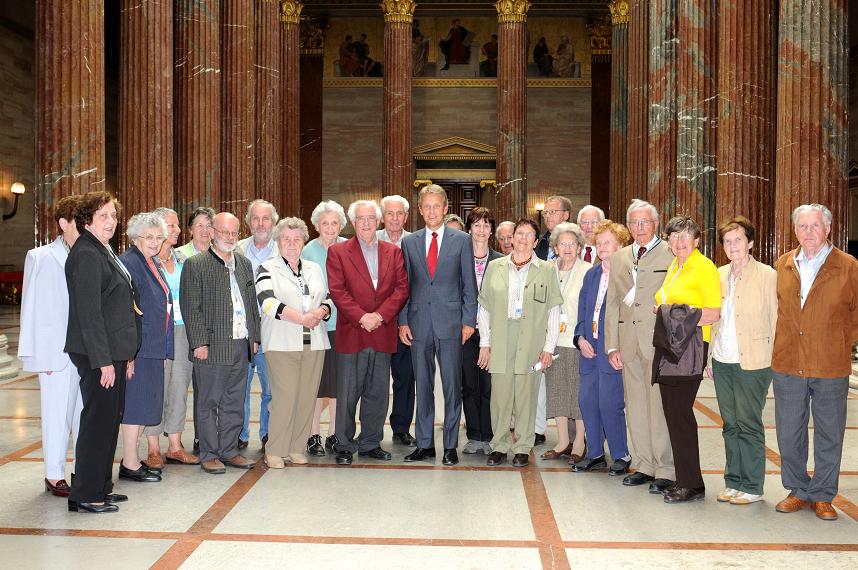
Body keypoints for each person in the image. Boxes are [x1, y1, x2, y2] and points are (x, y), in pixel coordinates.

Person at [771, 204, 858, 521]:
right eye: (803, 226)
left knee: (829, 433)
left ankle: (822, 495)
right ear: (795, 230)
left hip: (830, 366)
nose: (809, 232)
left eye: (815, 226)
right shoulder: (782, 265)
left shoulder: (849, 267)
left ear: (829, 228)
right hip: (788, 363)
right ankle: (797, 489)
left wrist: (837, 341)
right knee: (788, 432)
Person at [65, 191, 140, 514]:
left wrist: (123, 355)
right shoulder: (86, 254)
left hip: (112, 352)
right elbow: (89, 314)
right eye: (103, 216)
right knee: (98, 421)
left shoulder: (102, 249)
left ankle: (100, 486)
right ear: (87, 220)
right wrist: (104, 362)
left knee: (110, 420)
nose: (110, 221)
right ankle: (85, 494)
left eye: (112, 215)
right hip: (98, 355)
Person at [399, 184, 478, 466]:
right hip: (419, 324)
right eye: (427, 206)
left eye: (437, 206)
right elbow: (404, 286)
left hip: (452, 324)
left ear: (446, 209)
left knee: (452, 386)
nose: (432, 211)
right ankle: (424, 445)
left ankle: (450, 447)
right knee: (423, 385)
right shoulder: (409, 243)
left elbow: (469, 284)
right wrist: (403, 320)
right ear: (420, 211)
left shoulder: (461, 240)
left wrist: (469, 320)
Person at [327, 200, 409, 465]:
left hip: (382, 331)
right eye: (360, 218)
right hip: (353, 331)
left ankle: (371, 442)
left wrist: (380, 316)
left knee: (377, 392)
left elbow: (401, 288)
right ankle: (343, 444)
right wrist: (363, 317)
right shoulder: (338, 252)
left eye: (370, 218)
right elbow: (338, 291)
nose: (365, 223)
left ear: (378, 221)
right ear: (353, 222)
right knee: (348, 394)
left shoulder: (393, 252)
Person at [477, 219, 563, 467]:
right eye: (519, 234)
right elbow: (484, 309)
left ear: (536, 242)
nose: (523, 239)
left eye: (529, 235)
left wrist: (549, 348)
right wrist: (485, 342)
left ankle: (524, 446)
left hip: (532, 340)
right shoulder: (495, 267)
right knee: (500, 397)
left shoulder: (546, 269)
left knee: (527, 395)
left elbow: (553, 311)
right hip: (501, 337)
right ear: (511, 238)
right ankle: (499, 445)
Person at [604, 199, 675, 494]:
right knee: (635, 406)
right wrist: (611, 346)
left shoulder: (670, 253)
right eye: (634, 223)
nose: (639, 228)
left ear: (656, 224)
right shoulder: (620, 257)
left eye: (645, 222)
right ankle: (644, 463)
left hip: (657, 341)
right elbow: (612, 304)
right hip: (628, 343)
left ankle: (665, 467)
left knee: (658, 406)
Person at [181, 212, 260, 475]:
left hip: (241, 343)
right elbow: (191, 308)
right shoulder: (196, 264)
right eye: (224, 232)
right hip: (212, 346)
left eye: (234, 233)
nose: (229, 237)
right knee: (208, 402)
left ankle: (229, 450)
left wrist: (255, 338)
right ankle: (209, 453)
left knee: (234, 401)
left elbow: (251, 304)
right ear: (213, 232)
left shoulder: (244, 263)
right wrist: (199, 343)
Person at [19, 195, 84, 498]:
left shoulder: (90, 254)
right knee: (57, 414)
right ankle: (54, 474)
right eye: (78, 222)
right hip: (54, 351)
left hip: (85, 350)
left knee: (84, 414)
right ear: (63, 224)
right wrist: (35, 354)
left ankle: (83, 468)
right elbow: (31, 308)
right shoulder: (40, 256)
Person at [652, 216, 721, 504]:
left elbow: (713, 312)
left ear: (696, 240)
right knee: (673, 415)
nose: (679, 242)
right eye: (674, 237)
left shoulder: (704, 267)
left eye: (685, 237)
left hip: (690, 347)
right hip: (670, 346)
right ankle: (687, 479)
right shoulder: (674, 266)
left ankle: (691, 484)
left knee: (680, 416)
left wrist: (672, 313)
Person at [710, 216, 776, 505]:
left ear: (750, 242)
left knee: (748, 423)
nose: (733, 245)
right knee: (730, 423)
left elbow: (776, 319)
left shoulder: (767, 275)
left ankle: (752, 484)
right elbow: (713, 321)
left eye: (738, 239)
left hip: (753, 362)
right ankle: (733, 480)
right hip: (722, 359)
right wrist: (708, 359)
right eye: (727, 241)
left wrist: (776, 360)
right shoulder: (719, 274)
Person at [256, 218, 332, 468]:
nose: (291, 244)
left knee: (307, 397)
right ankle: (276, 449)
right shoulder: (267, 268)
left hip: (315, 341)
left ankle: (296, 447)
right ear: (278, 242)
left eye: (297, 239)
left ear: (304, 242)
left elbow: (329, 298)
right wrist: (302, 318)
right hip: (281, 342)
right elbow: (267, 302)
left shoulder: (313, 268)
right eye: (286, 239)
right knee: (284, 398)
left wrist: (320, 313)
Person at [572, 220, 632, 475]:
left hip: (612, 350)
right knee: (588, 402)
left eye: (608, 243)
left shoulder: (628, 273)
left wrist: (615, 346)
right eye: (599, 243)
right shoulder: (592, 274)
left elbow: (630, 315)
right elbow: (583, 311)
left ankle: (621, 454)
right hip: (589, 349)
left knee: (610, 403)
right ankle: (595, 453)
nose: (602, 247)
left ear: (620, 245)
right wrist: (580, 338)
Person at [118, 212, 172, 484]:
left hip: (153, 347)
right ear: (135, 238)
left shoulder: (152, 263)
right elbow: (127, 313)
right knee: (135, 405)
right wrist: (130, 354)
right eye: (148, 237)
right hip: (138, 350)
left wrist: (163, 350)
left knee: (145, 406)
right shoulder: (129, 263)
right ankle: (129, 462)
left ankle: (134, 460)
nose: (154, 242)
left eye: (158, 237)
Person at [144, 208, 198, 467]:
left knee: (179, 387)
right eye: (173, 225)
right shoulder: (146, 261)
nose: (178, 230)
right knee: (158, 388)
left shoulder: (181, 260)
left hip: (183, 330)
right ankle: (153, 447)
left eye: (177, 226)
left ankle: (175, 444)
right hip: (157, 332)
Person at [541, 222, 590, 461]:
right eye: (563, 243)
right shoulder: (548, 270)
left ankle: (579, 442)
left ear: (580, 247)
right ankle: (562, 441)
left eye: (572, 243)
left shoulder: (588, 271)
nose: (568, 248)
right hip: (552, 341)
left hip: (577, 341)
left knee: (578, 395)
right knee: (558, 392)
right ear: (556, 247)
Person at [302, 200, 348, 455]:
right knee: (318, 384)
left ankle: (333, 433)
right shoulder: (308, 251)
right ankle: (313, 434)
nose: (330, 228)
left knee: (340, 384)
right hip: (318, 326)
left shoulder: (348, 247)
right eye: (325, 223)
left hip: (344, 326)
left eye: (334, 223)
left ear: (341, 224)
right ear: (316, 225)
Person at [236, 199, 279, 451]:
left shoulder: (284, 249)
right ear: (248, 222)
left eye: (265, 218)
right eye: (256, 218)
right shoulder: (237, 249)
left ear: (273, 222)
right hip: (241, 332)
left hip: (271, 330)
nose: (260, 223)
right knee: (239, 388)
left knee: (271, 389)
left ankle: (268, 434)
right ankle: (240, 434)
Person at [461, 208, 502, 455]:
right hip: (465, 332)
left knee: (488, 385)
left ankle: (488, 435)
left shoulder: (499, 261)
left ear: (491, 230)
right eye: (476, 225)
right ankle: (473, 435)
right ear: (469, 229)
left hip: (493, 332)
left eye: (486, 225)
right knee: (469, 384)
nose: (481, 230)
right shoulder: (459, 257)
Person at [377, 195, 417, 447]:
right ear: (382, 217)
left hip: (407, 323)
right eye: (389, 213)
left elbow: (419, 284)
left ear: (405, 216)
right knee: (375, 380)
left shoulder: (415, 242)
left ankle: (401, 428)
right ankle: (371, 429)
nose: (394, 218)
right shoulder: (369, 238)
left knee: (405, 377)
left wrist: (405, 319)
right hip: (377, 322)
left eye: (399, 213)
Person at [534, 195, 573, 445]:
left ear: (566, 215)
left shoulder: (574, 243)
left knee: (566, 381)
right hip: (540, 319)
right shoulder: (539, 244)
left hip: (568, 325)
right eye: (545, 212)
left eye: (553, 211)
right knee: (539, 378)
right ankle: (537, 429)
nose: (547, 216)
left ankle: (572, 435)